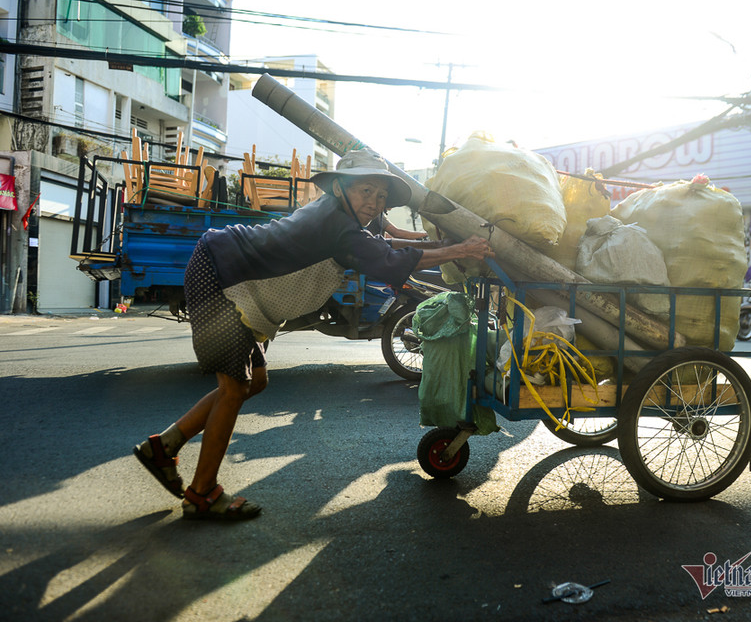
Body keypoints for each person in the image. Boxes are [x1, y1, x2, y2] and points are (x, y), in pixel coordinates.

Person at [133, 147, 494, 521]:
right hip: (221, 275)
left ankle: (164, 447)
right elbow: (387, 261)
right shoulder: (336, 225)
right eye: (365, 191)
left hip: (225, 271)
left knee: (254, 381)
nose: (374, 202)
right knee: (234, 388)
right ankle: (202, 493)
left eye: (381, 195)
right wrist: (459, 249)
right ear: (339, 188)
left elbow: (384, 246)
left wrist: (441, 246)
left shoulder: (342, 218)